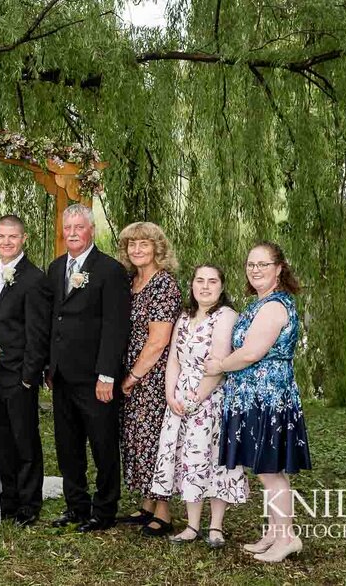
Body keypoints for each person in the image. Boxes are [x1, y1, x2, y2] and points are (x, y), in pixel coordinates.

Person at [205, 241, 312, 562]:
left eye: (263, 264)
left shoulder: (274, 306)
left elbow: (252, 352)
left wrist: (219, 366)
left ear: (279, 268)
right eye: (251, 264)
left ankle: (287, 538)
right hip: (252, 398)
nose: (255, 270)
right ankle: (274, 533)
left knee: (271, 471)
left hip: (268, 399)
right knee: (268, 470)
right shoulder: (258, 302)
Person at [150, 264, 248, 547]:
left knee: (215, 459)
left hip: (211, 398)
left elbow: (218, 365)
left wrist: (195, 398)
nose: (205, 286)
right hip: (180, 398)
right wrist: (171, 395)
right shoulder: (184, 316)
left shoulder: (226, 316)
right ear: (192, 285)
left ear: (221, 286)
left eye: (212, 281)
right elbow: (173, 360)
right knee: (189, 460)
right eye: (200, 281)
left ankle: (215, 527)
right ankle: (192, 525)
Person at [47, 204, 130, 533]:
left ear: (91, 230)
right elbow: (55, 320)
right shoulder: (56, 269)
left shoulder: (109, 270)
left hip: (96, 378)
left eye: (78, 227)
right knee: (68, 447)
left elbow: (115, 326)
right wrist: (48, 368)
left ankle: (105, 509)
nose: (72, 233)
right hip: (62, 376)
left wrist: (107, 374)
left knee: (103, 445)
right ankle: (76, 506)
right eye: (67, 228)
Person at [0, 215, 50, 526]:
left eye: (13, 237)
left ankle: (29, 503)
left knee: (25, 441)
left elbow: (38, 333)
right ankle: (8, 497)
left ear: (24, 239)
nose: (6, 242)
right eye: (1, 236)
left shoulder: (34, 278)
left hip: (18, 375)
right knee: (1, 439)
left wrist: (28, 377)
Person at [117, 221, 181, 537]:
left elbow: (158, 340)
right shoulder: (131, 281)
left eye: (144, 244)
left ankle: (164, 512)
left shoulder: (164, 285)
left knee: (155, 440)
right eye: (132, 244)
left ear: (158, 248)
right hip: (131, 369)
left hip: (152, 375)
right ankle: (146, 504)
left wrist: (132, 377)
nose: (138, 250)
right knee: (136, 440)